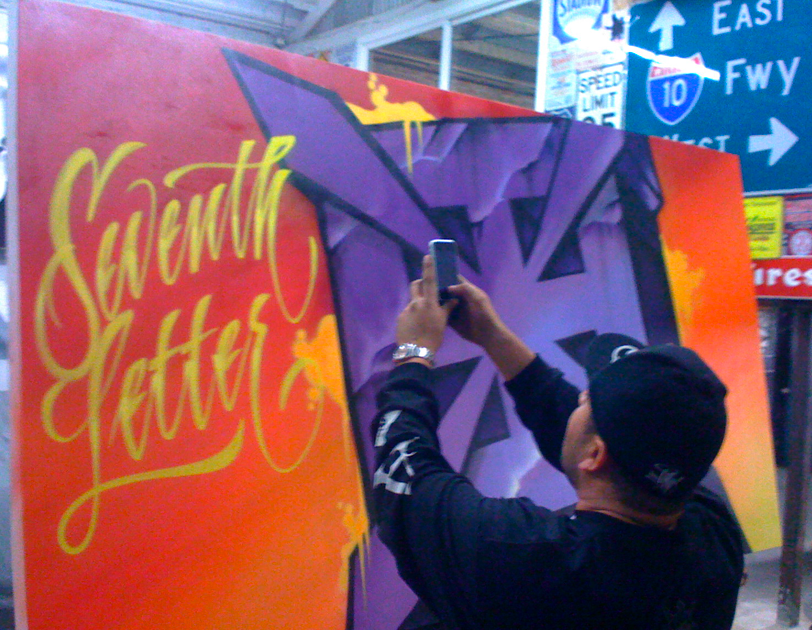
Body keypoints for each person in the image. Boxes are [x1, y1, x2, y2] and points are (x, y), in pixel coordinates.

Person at [371, 256, 745, 630]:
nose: (578, 397)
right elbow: (590, 433)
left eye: (587, 400)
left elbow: (406, 475)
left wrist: (414, 353)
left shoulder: (525, 561)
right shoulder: (714, 538)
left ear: (596, 455)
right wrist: (492, 335)